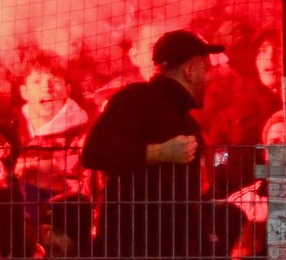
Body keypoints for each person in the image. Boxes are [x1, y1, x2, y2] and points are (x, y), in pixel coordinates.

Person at [79, 28, 225, 259]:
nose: (209, 77)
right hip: (130, 244)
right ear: (189, 71)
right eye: (205, 69)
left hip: (170, 245)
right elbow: (93, 153)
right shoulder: (136, 98)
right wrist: (158, 153)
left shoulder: (186, 121)